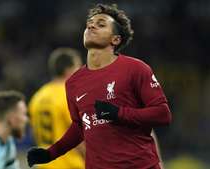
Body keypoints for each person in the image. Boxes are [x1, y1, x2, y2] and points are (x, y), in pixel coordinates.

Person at [27, 3, 172, 169]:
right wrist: (51, 153)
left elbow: (163, 114)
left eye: (101, 24)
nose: (91, 25)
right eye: (89, 23)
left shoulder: (136, 69)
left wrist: (119, 113)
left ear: (115, 39)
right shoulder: (74, 83)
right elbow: (80, 126)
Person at [28, 48, 85, 169]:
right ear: (68, 70)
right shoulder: (68, 96)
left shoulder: (37, 97)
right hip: (68, 165)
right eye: (78, 67)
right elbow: (78, 137)